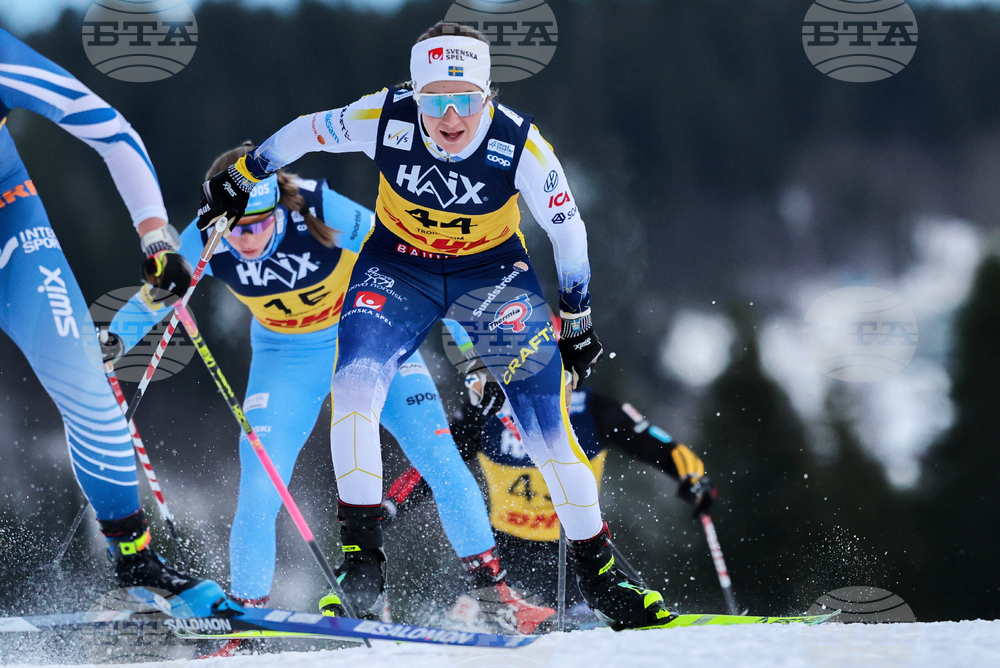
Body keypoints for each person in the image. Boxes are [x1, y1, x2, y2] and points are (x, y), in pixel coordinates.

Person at [196, 22, 670, 630]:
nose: (451, 117)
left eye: (466, 100)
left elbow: (568, 229)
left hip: (490, 280)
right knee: (356, 388)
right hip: (400, 270)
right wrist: (250, 170)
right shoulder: (383, 118)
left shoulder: (519, 144)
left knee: (547, 429)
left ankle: (603, 579)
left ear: (488, 95)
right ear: (414, 95)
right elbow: (309, 130)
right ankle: (361, 564)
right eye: (435, 100)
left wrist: (576, 315)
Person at [108, 143, 554, 648]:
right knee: (260, 484)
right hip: (285, 360)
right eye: (234, 228)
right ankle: (244, 620)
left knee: (440, 459)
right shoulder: (207, 236)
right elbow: (157, 295)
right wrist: (114, 342)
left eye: (256, 225)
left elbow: (419, 261)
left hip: (369, 336)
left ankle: (495, 596)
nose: (245, 239)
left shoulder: (319, 207)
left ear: (278, 206)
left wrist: (473, 353)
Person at [0, 28, 227, 616]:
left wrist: (156, 236)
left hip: (6, 220)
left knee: (86, 385)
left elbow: (112, 131)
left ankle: (136, 566)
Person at [384, 321, 717, 627]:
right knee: (470, 621)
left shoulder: (594, 408)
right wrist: (389, 504)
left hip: (575, 550)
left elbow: (657, 443)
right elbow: (435, 466)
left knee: (588, 629)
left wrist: (693, 477)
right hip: (507, 552)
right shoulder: (485, 408)